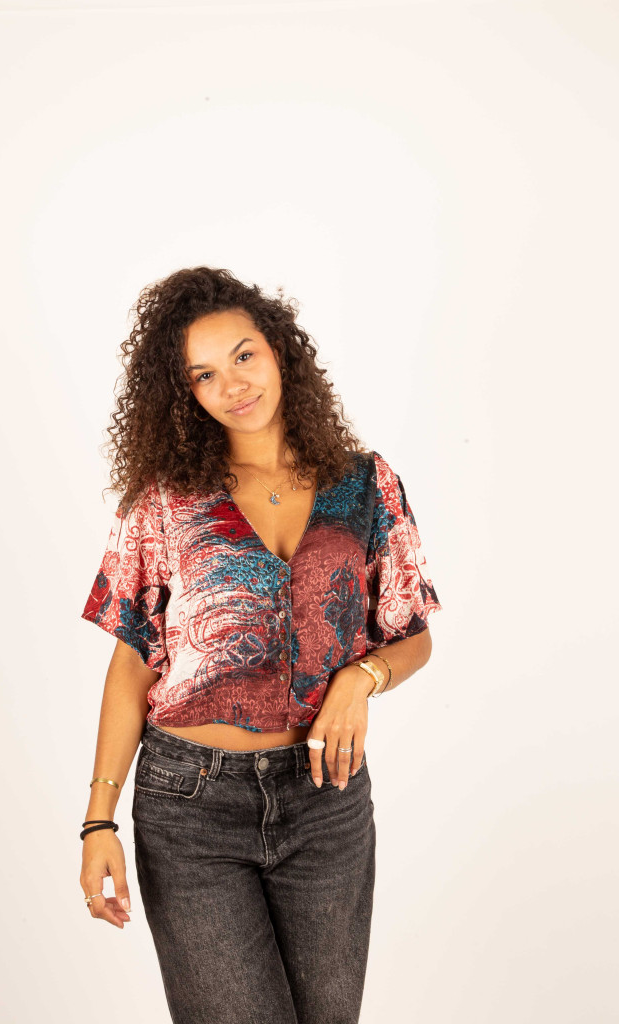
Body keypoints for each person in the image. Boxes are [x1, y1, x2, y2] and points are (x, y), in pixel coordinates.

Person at [78, 266, 442, 1024]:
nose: (232, 384)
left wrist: (360, 679)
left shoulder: (365, 484)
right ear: (185, 393)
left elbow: (412, 635)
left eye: (243, 355)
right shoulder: (165, 500)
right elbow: (131, 661)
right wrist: (98, 820)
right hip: (190, 806)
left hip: (327, 799)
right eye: (204, 374)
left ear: (280, 350)